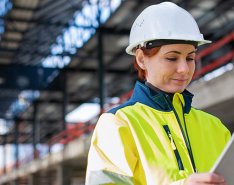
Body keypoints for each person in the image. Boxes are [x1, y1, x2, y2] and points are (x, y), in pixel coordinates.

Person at [85, 2, 231, 185]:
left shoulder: (215, 127)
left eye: (190, 58)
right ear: (141, 59)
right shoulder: (119, 124)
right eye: (172, 58)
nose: (184, 69)